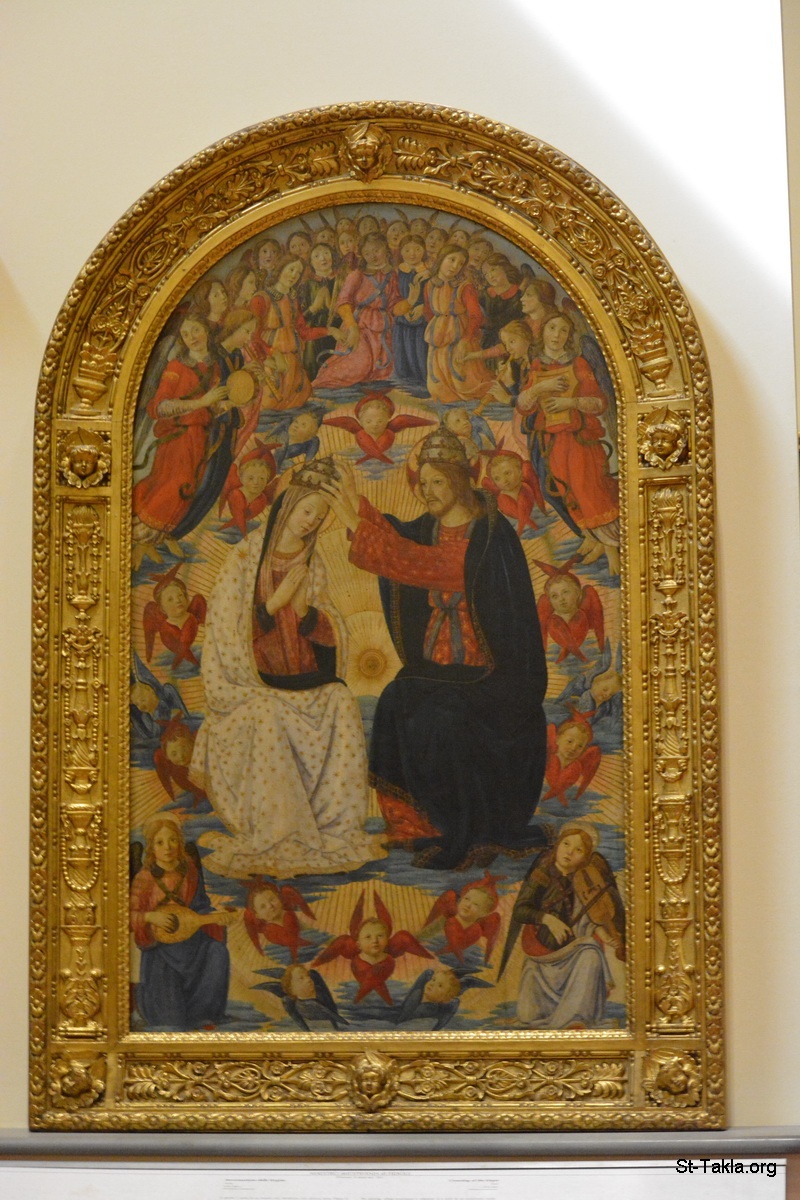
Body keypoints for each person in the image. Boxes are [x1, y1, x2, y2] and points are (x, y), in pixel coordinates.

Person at [322, 428, 549, 870]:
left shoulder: (490, 534)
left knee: (446, 718)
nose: (427, 491)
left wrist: (352, 520)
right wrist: (353, 501)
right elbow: (398, 536)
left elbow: (424, 564)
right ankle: (414, 826)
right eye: (422, 483)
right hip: (439, 666)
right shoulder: (428, 528)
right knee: (395, 699)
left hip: (492, 675)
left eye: (437, 482)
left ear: (460, 481)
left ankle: (459, 828)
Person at [192, 458, 376, 879]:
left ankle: (335, 826)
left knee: (341, 700)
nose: (311, 521)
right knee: (268, 712)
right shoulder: (245, 558)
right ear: (288, 505)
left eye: (321, 516)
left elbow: (329, 630)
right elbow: (225, 631)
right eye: (307, 510)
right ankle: (282, 832)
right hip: (251, 687)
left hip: (302, 681)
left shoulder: (313, 562)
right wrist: (272, 607)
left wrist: (307, 613)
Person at [518, 309, 620, 572]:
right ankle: (593, 539)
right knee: (568, 492)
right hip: (553, 443)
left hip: (581, 440)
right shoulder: (537, 366)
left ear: (569, 336)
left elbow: (599, 402)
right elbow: (523, 405)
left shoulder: (579, 364)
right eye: (552, 328)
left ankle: (613, 553)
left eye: (563, 330)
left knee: (591, 491)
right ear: (543, 332)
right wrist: (539, 388)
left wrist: (570, 402)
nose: (557, 335)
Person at [500, 823, 625, 1029]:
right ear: (557, 845)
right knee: (529, 1015)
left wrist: (606, 935)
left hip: (573, 952)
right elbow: (520, 910)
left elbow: (587, 919)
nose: (569, 852)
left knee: (591, 953)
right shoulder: (542, 875)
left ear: (585, 857)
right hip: (542, 954)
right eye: (566, 844)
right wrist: (548, 919)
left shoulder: (584, 882)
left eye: (578, 850)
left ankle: (576, 1018)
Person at [129, 815, 230, 1030]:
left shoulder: (190, 871)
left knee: (217, 952)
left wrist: (214, 917)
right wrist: (150, 917)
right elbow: (127, 915)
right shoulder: (145, 878)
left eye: (172, 840)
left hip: (192, 942)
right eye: (160, 842)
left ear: (180, 842)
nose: (167, 847)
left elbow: (201, 905)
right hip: (161, 948)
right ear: (151, 847)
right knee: (170, 1020)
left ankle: (203, 1014)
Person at [313, 231, 400, 389]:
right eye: (367, 253)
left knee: (379, 372)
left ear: (385, 249)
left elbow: (394, 304)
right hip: (357, 326)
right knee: (358, 365)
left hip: (381, 329)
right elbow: (343, 303)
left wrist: (412, 302)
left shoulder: (392, 276)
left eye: (376, 250)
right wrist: (353, 328)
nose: (372, 256)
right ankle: (320, 385)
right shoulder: (357, 275)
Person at [422, 244, 492, 405]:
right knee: (438, 385)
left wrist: (465, 340)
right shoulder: (430, 284)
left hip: (462, 335)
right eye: (452, 260)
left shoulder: (465, 287)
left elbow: (475, 315)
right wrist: (437, 328)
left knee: (465, 380)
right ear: (441, 259)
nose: (455, 266)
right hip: (438, 336)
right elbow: (428, 310)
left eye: (460, 263)